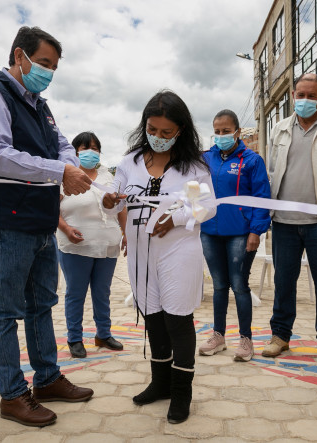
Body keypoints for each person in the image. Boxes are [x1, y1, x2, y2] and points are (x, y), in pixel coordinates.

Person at [0, 26, 94, 427]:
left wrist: (70, 163)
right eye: (43, 63)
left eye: (54, 66)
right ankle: (12, 394)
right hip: (8, 222)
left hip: (39, 221)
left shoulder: (40, 105)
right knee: (5, 311)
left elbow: (62, 144)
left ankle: (48, 378)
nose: (48, 72)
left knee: (42, 305)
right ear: (19, 56)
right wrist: (61, 170)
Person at [103, 90, 216, 424]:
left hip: (179, 250)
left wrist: (176, 218)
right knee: (152, 317)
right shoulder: (130, 162)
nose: (159, 137)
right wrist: (110, 204)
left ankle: (182, 393)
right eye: (153, 130)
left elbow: (206, 207)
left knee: (176, 320)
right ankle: (160, 383)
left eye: (167, 132)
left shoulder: (193, 167)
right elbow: (116, 200)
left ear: (180, 130)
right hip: (140, 253)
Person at [263, 73, 317, 366]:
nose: (304, 100)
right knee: (284, 283)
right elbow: (272, 172)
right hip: (284, 222)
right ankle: (280, 337)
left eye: (311, 95)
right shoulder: (280, 130)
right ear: (292, 96)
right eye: (300, 95)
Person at [198, 109, 270, 362]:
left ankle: (246, 339)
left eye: (226, 131)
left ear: (237, 132)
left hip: (240, 234)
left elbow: (262, 198)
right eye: (217, 132)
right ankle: (218, 336)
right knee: (218, 285)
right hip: (209, 231)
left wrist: (255, 231)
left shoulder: (251, 160)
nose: (221, 136)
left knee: (239, 285)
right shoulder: (206, 159)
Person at [57, 131, 127, 358]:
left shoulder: (108, 175)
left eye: (96, 148)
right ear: (75, 151)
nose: (91, 152)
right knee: (76, 293)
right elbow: (50, 208)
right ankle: (74, 338)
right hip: (77, 244)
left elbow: (121, 206)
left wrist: (125, 233)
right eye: (86, 148)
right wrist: (66, 229)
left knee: (102, 292)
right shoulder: (65, 176)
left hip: (107, 243)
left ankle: (103, 334)